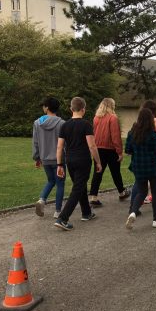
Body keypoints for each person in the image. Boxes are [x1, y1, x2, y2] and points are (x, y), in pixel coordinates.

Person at [54, 97, 102, 231]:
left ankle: (86, 212)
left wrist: (59, 165)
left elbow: (59, 147)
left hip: (70, 160)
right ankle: (63, 218)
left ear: (71, 109)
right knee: (77, 189)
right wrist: (98, 161)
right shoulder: (86, 125)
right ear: (84, 110)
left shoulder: (65, 125)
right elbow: (92, 146)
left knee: (79, 186)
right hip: (83, 160)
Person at [125, 108, 156, 229]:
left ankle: (133, 212)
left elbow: (128, 150)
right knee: (155, 192)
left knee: (142, 192)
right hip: (153, 167)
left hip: (138, 167)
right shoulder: (155, 136)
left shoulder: (132, 134)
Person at [128, 100, 156, 211]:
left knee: (139, 183)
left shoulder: (137, 125)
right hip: (153, 160)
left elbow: (129, 147)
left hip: (138, 160)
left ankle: (133, 207)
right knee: (155, 183)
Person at [88, 98, 130, 207]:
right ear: (112, 106)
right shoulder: (113, 118)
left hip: (98, 149)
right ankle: (121, 192)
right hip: (110, 149)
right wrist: (120, 152)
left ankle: (93, 197)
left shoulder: (96, 118)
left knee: (97, 172)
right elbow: (115, 136)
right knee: (115, 172)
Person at [33, 97, 66, 218]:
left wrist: (37, 158)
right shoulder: (62, 123)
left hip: (45, 159)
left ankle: (42, 200)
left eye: (43, 105)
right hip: (59, 160)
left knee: (51, 181)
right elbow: (65, 143)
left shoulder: (37, 123)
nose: (43, 107)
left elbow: (35, 142)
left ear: (47, 108)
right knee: (60, 184)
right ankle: (58, 211)